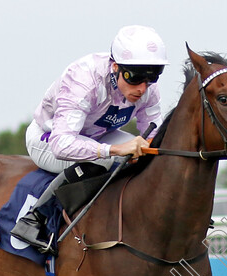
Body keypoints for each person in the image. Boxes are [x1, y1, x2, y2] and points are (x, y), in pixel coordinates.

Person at [10, 25, 168, 253]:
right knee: (105, 159)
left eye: (152, 77)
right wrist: (114, 150)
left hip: (96, 134)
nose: (143, 88)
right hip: (49, 138)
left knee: (144, 152)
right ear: (115, 67)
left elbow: (154, 137)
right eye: (135, 78)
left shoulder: (148, 90)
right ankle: (33, 219)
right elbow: (62, 144)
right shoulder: (84, 80)